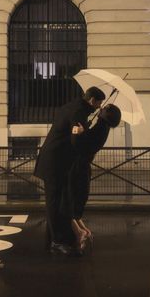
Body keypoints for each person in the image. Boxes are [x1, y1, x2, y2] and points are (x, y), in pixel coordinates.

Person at [33, 86, 105, 255]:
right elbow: (76, 140)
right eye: (99, 103)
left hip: (54, 159)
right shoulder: (78, 112)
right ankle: (57, 242)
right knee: (54, 202)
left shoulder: (73, 107)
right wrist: (85, 131)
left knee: (56, 201)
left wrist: (84, 125)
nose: (99, 107)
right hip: (55, 163)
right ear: (92, 100)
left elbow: (70, 129)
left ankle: (53, 238)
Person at [64, 103, 122, 254]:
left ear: (107, 115)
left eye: (105, 108)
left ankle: (80, 234)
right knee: (75, 205)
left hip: (78, 169)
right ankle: (84, 232)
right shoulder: (102, 127)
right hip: (82, 169)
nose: (101, 108)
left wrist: (80, 132)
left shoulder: (101, 128)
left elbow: (82, 145)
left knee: (67, 202)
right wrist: (86, 130)